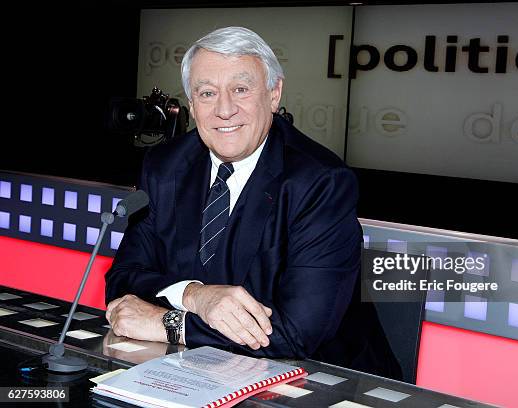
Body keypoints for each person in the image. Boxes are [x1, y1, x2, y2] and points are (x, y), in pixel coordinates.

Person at [105, 26, 401, 379]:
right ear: (191, 105)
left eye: (241, 89)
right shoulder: (165, 165)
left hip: (323, 382)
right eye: (207, 93)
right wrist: (196, 297)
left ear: (274, 95)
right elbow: (122, 281)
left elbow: (296, 334)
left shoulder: (321, 182)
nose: (224, 109)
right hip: (195, 375)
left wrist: (169, 323)